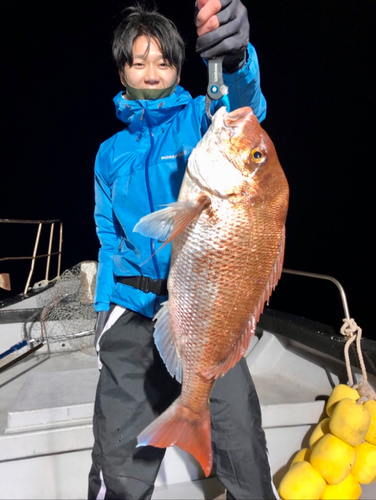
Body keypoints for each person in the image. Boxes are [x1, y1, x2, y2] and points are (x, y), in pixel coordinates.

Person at [88, 1, 277, 499]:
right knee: (119, 468)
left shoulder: (202, 120)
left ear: (178, 67)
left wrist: (235, 60)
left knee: (243, 449)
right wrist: (103, 310)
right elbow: (108, 235)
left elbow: (244, 109)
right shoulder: (109, 152)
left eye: (165, 61)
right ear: (123, 68)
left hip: (206, 308)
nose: (151, 72)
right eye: (138, 61)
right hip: (131, 309)